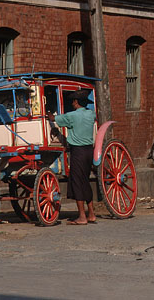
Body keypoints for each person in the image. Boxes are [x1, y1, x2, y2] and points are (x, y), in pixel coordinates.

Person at [47, 90, 97, 225]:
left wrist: (48, 113)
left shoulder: (72, 116)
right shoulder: (91, 114)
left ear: (76, 102)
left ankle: (82, 216)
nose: (72, 103)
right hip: (88, 151)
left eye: (73, 101)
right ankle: (91, 213)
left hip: (78, 152)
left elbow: (53, 119)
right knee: (85, 181)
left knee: (77, 182)